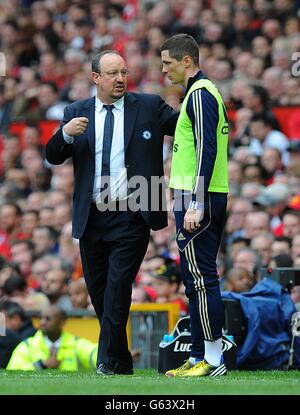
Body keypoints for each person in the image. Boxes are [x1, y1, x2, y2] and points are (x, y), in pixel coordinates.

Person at [45, 50, 177, 376]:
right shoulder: (76, 112)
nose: (120, 79)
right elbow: (53, 155)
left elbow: (186, 124)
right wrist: (64, 134)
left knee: (118, 287)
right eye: (112, 73)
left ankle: (105, 362)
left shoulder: (147, 105)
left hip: (132, 213)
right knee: (100, 293)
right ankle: (121, 362)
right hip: (92, 217)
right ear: (96, 78)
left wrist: (200, 93)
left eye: (124, 72)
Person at [160, 34, 228, 377]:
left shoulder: (200, 95)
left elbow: (207, 149)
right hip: (197, 195)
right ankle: (200, 354)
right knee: (193, 278)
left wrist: (197, 201)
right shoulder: (199, 93)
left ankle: (213, 360)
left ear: (187, 61)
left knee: (202, 279)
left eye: (168, 62)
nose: (163, 70)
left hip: (198, 196)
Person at [6, 305, 97, 371]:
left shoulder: (76, 343)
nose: (42, 322)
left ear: (62, 322)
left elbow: (96, 355)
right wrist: (42, 365)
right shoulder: (27, 345)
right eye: (41, 318)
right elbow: (13, 369)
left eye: (47, 319)